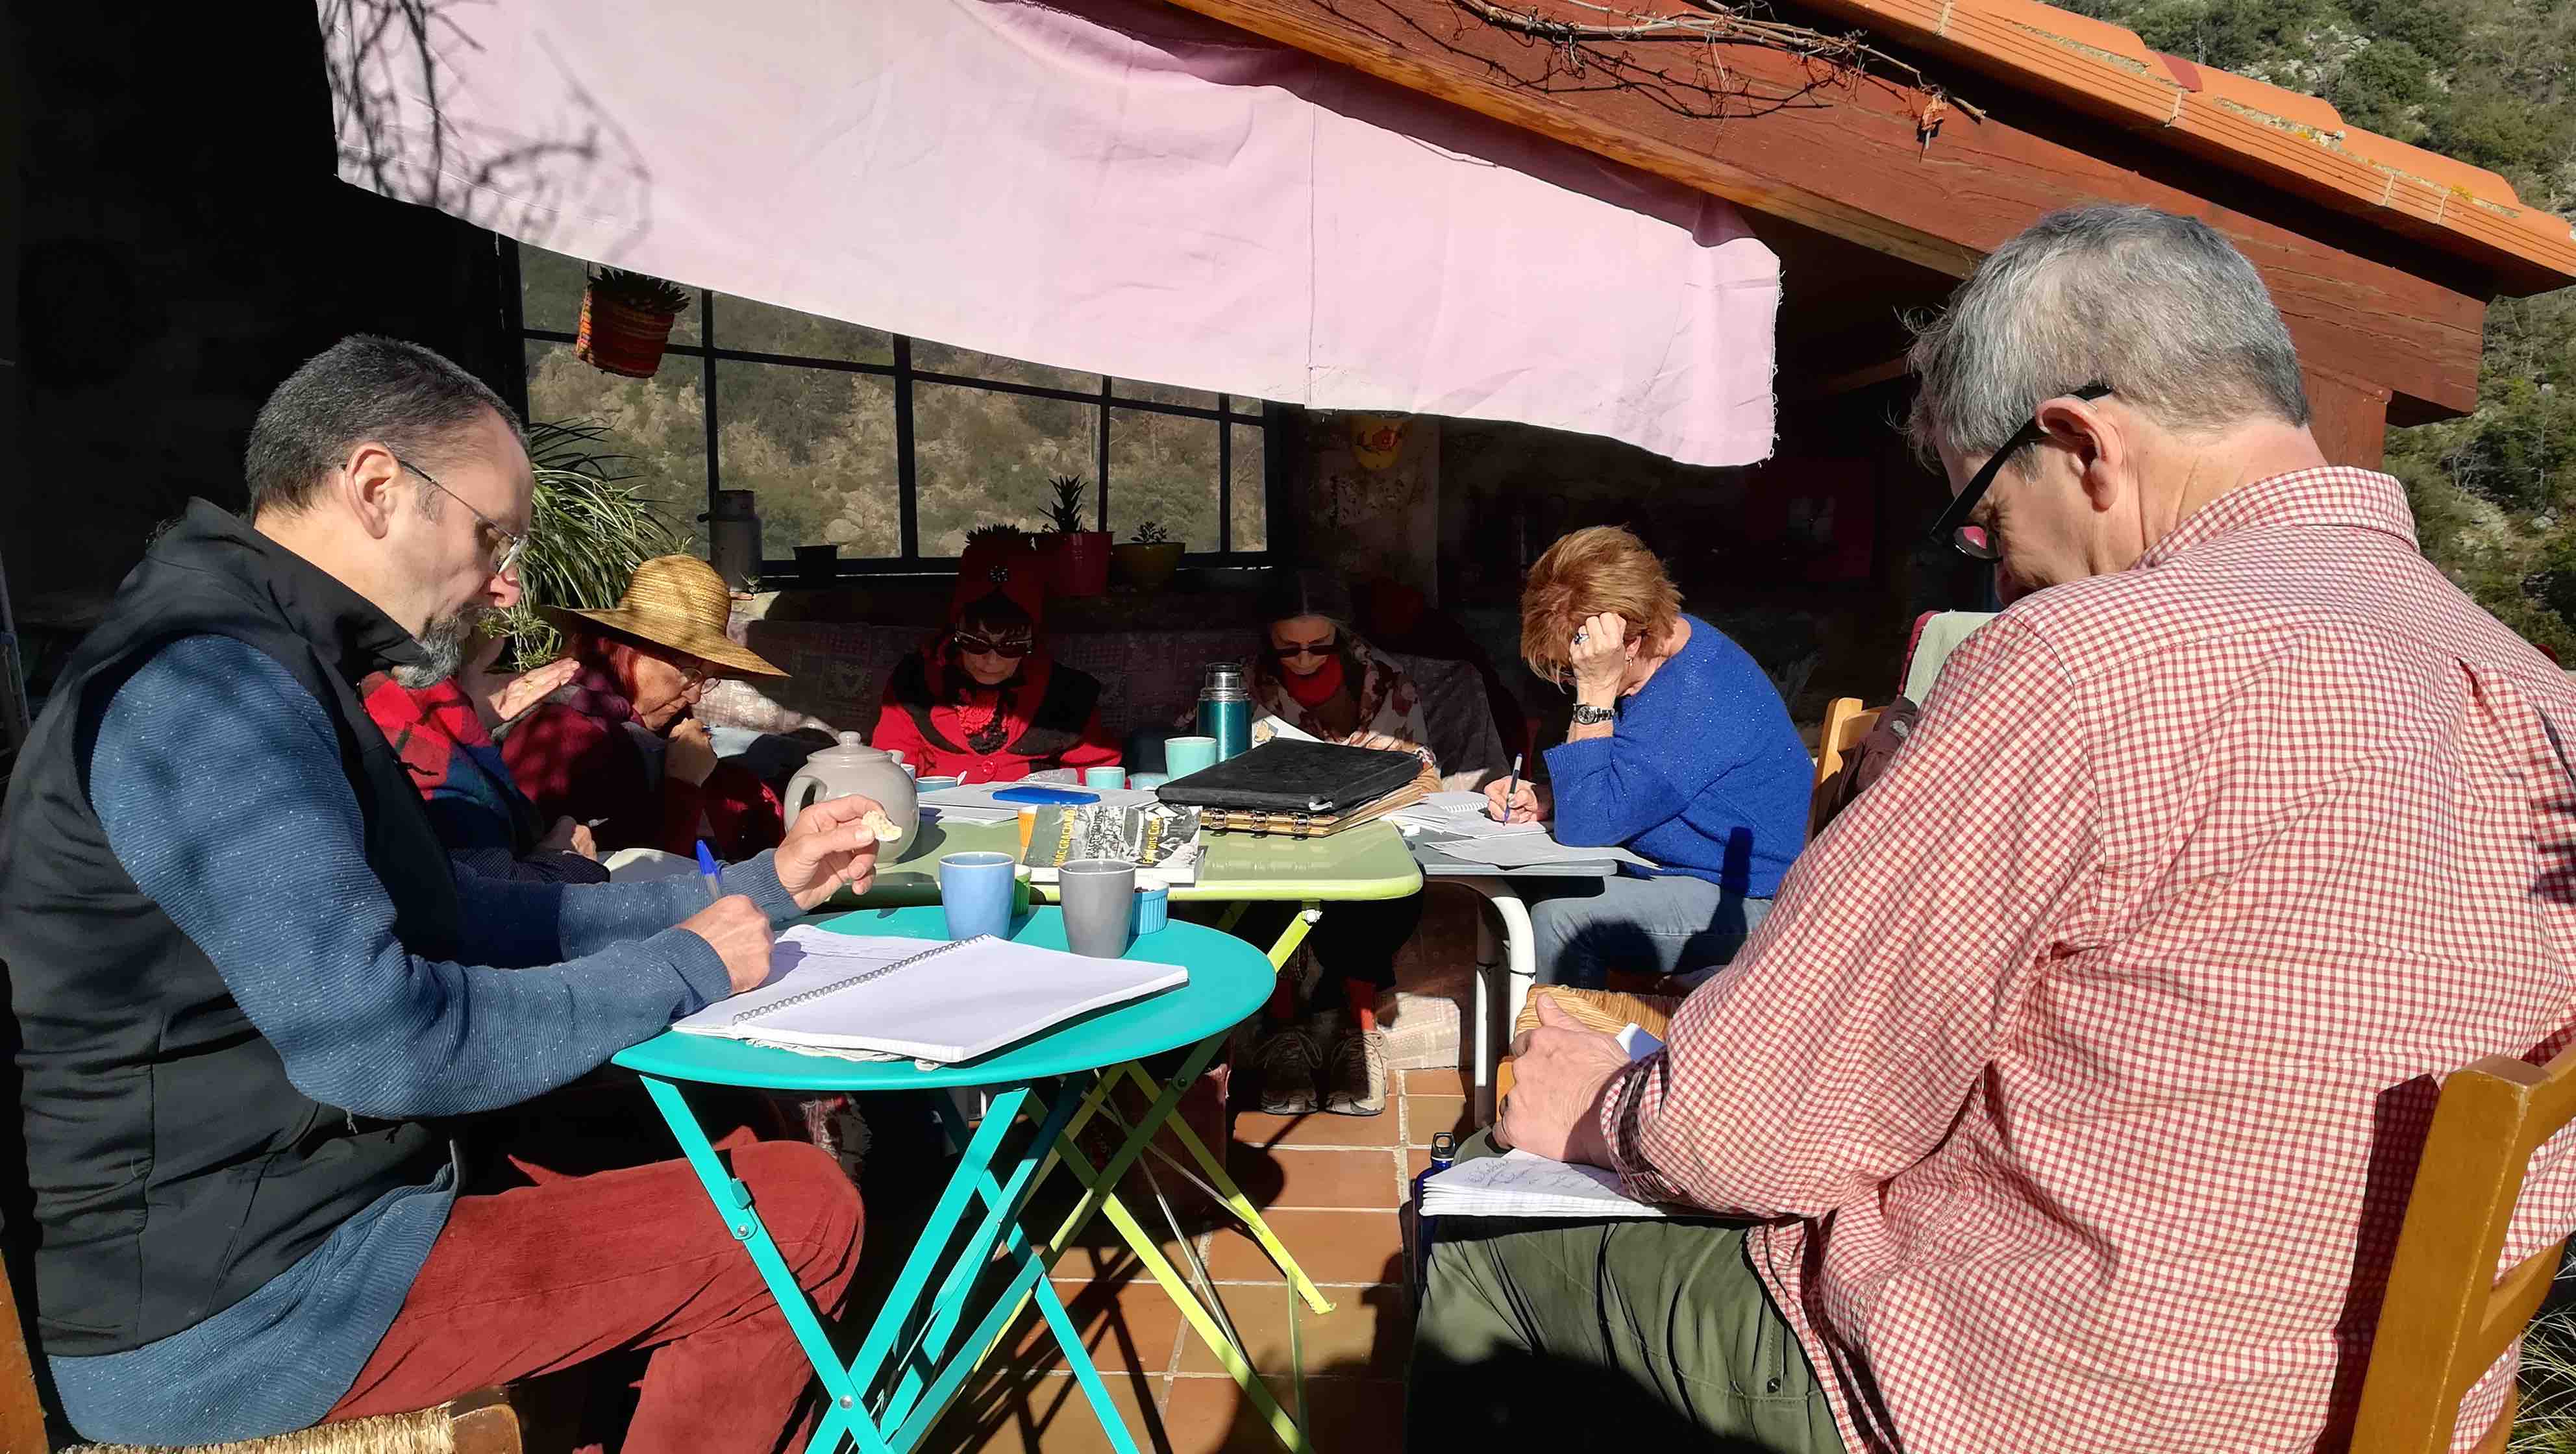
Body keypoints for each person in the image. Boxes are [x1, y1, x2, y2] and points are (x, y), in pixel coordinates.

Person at [1415, 205, 2576, 1453]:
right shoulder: (2537, 693)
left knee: (1482, 1267)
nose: (1998, 569)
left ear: (2079, 445)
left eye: (1983, 522)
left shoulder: (2088, 661)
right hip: (2370, 1412)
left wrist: (1601, 1110)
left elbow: (1746, 1134)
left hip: (2042, 1399)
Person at [0, 335, 886, 1451]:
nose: (504, 579)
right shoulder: (208, 693)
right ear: (376, 489)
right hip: (235, 1301)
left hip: (312, 1211)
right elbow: (385, 1044)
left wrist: (763, 889)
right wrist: (686, 966)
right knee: (797, 1221)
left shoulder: (268, 658)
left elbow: (463, 916)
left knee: (722, 1146)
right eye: (489, 534)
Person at [1485, 526, 1809, 988]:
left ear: (1628, 642)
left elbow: (1589, 828)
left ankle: (1569, 1054)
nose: (1571, 683)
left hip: (1749, 899)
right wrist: (1549, 795)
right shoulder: (1663, 659)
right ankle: (1530, 1039)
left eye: (1572, 669)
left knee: (1564, 920)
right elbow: (1630, 780)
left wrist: (1595, 693)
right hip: (1685, 873)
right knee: (1520, 891)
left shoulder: (1697, 695)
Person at [1230, 571, 1435, 1116]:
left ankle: (1359, 1030)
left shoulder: (1386, 681)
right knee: (1250, 879)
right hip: (1271, 826)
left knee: (1378, 888)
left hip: (1362, 825)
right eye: (1288, 647)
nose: (1302, 659)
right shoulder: (1244, 682)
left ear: (1340, 637)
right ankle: (1283, 1034)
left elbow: (1416, 766)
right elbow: (1211, 756)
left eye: (1318, 646)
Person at [504, 554, 793, 860]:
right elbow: (654, 879)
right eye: (689, 673)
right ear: (631, 649)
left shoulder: (643, 732)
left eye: (708, 679)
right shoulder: (561, 735)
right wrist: (684, 782)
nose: (695, 696)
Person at [362, 616, 604, 882]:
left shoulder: (383, 704)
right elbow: (485, 898)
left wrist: (464, 719)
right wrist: (563, 862)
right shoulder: (416, 757)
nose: (507, 595)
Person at [870, 540, 1121, 782]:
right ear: (955, 634)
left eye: (1010, 647)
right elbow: (891, 773)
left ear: (1032, 643)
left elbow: (1101, 777)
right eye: (976, 643)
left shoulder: (1066, 695)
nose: (991, 661)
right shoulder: (914, 685)